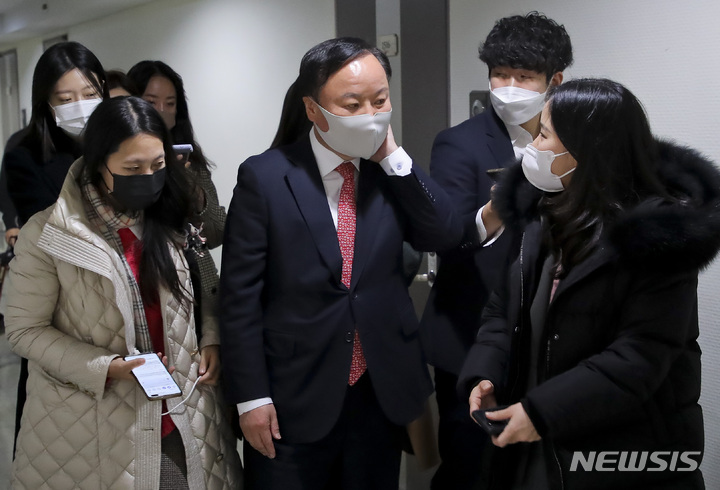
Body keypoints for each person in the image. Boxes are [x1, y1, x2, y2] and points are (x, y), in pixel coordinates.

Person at [219, 37, 461, 489]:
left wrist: (392, 156)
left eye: (380, 100)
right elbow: (239, 299)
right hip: (293, 394)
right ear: (313, 109)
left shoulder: (391, 175)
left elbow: (445, 235)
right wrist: (251, 397)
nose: (369, 113)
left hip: (380, 389)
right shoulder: (266, 177)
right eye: (352, 104)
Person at [459, 78, 718, 490]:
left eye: (543, 135)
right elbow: (502, 312)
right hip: (539, 445)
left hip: (620, 456)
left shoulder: (660, 239)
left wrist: (544, 411)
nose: (533, 148)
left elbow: (638, 358)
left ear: (585, 151)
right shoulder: (545, 213)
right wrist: (485, 374)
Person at [5, 96, 243, 489]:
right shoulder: (47, 233)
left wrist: (212, 338)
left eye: (158, 165)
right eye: (132, 168)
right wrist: (105, 366)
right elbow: (24, 329)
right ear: (99, 162)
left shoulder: (169, 215)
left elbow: (205, 290)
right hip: (92, 427)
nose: (148, 177)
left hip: (184, 416)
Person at [419, 12, 573, 489]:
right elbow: (447, 237)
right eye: (499, 74)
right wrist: (498, 206)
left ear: (554, 81)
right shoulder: (458, 144)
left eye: (523, 76)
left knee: (538, 468)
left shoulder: (574, 140)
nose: (508, 86)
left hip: (550, 336)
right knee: (470, 466)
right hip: (470, 336)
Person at [2, 40, 109, 452]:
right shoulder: (25, 156)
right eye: (65, 99)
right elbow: (51, 231)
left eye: (89, 94)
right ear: (45, 102)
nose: (80, 106)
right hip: (66, 302)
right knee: (60, 437)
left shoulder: (121, 141)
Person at [128, 60, 226, 338]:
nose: (161, 111)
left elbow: (218, 232)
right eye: (151, 101)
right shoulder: (124, 168)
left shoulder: (191, 163)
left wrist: (192, 189)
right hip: (152, 295)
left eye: (170, 104)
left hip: (202, 293)